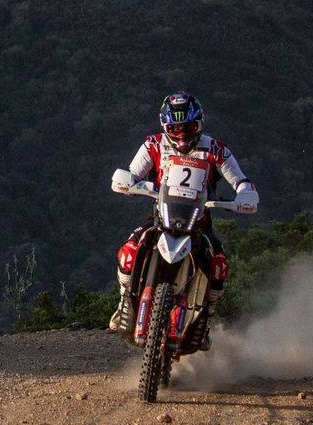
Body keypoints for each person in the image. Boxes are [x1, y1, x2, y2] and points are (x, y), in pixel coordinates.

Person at [107, 92, 259, 348]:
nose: (181, 134)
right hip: (160, 214)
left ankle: (205, 320)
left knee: (219, 265)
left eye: (187, 127)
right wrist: (127, 183)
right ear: (165, 126)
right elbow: (132, 173)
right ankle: (124, 301)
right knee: (128, 253)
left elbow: (240, 181)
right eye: (175, 127)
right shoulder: (153, 145)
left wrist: (245, 195)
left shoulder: (216, 150)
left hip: (199, 220)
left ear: (198, 124)